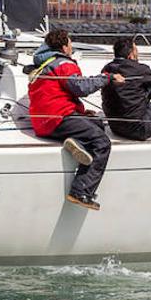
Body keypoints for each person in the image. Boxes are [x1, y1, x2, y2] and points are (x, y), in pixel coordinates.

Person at [28, 28, 123, 210]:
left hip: (43, 122)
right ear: (64, 47)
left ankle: (76, 142)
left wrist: (81, 112)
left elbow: (57, 94)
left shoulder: (45, 65)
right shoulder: (63, 64)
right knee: (103, 142)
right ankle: (81, 191)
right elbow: (80, 87)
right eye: (70, 43)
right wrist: (107, 78)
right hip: (56, 119)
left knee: (96, 124)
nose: (71, 47)